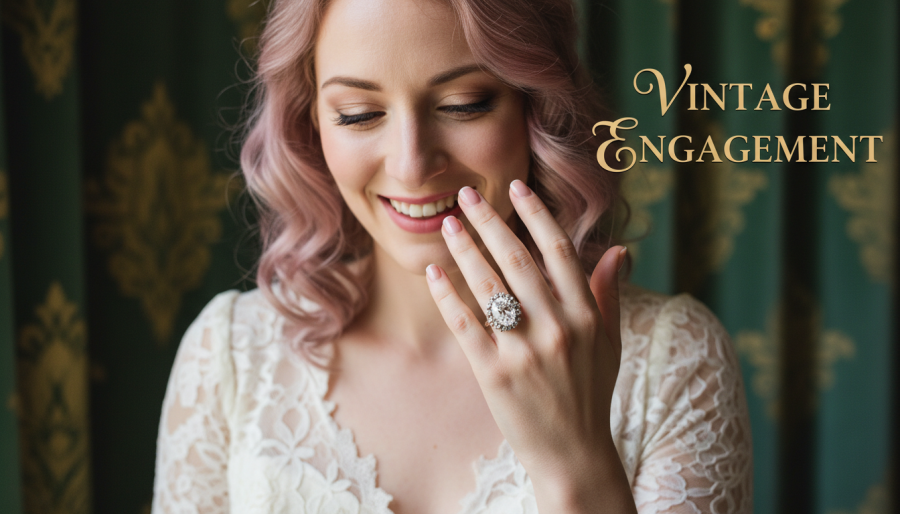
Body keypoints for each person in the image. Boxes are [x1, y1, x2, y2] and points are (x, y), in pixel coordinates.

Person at [151, 0, 753, 512]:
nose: (411, 164)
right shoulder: (229, 356)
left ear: (535, 106)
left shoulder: (674, 361)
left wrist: (575, 464)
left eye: (464, 104)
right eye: (359, 114)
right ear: (312, 124)